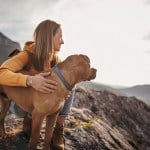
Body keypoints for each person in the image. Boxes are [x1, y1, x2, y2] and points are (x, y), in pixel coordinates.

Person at [0, 19, 74, 150]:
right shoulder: (26, 55)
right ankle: (28, 120)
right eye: (60, 36)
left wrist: (63, 93)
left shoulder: (56, 61)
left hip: (40, 105)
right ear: (49, 37)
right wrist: (30, 80)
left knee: (70, 84)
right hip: (20, 104)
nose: (63, 41)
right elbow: (1, 73)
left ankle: (57, 130)